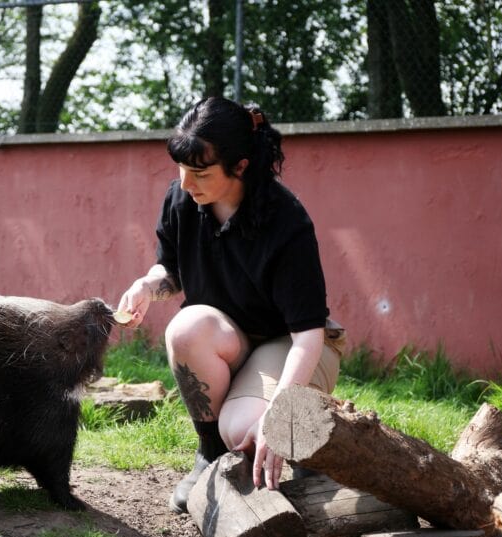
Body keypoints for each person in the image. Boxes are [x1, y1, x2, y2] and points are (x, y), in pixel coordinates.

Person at [116, 96, 345, 514]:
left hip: (296, 348)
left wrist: (279, 416)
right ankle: (209, 455)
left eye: (199, 172)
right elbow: (172, 271)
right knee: (186, 328)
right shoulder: (183, 199)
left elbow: (307, 337)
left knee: (241, 428)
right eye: (181, 170)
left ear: (240, 166)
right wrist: (147, 286)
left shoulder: (286, 220)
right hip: (232, 341)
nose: (185, 183)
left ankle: (313, 440)